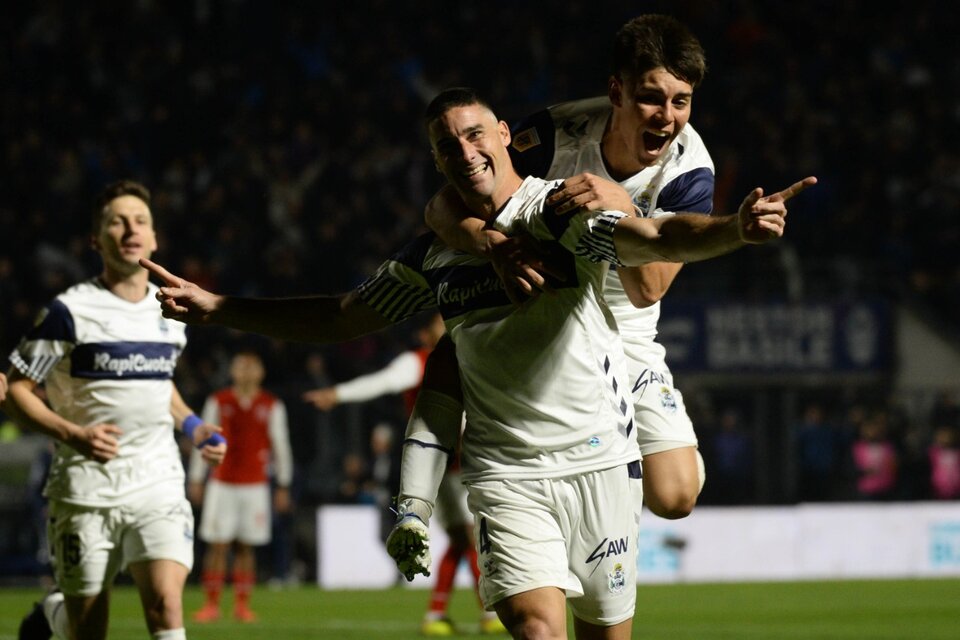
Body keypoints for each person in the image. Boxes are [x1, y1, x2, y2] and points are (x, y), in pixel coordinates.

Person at [141, 87, 813, 639]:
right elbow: (343, 317)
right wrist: (222, 306)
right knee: (535, 630)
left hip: (600, 462)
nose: (463, 152)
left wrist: (733, 229)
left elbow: (655, 235)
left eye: (473, 135)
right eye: (446, 145)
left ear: (502, 134)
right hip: (504, 473)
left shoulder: (560, 214)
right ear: (436, 161)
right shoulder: (434, 257)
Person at [425, 14, 715, 521]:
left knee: (675, 498)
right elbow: (442, 207)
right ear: (616, 92)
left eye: (681, 101)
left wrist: (621, 203)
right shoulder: (556, 134)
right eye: (651, 97)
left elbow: (649, 288)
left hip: (627, 334)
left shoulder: (689, 170)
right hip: (550, 323)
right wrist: (489, 242)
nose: (667, 117)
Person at [3, 180, 226, 640]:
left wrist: (193, 424)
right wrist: (73, 435)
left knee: (166, 605)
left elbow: (156, 383)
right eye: (117, 221)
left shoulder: (172, 307)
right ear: (96, 239)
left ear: (155, 238)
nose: (130, 229)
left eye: (140, 220)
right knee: (87, 629)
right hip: (86, 487)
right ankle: (53, 613)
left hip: (156, 479)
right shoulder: (70, 312)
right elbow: (18, 389)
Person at [304, 312, 504, 635]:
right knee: (471, 538)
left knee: (459, 540)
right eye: (440, 321)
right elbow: (381, 382)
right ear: (425, 334)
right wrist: (338, 394)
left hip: (461, 463)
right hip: (446, 466)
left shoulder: (471, 354)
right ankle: (487, 612)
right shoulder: (419, 361)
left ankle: (437, 614)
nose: (450, 323)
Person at [188, 348, 293, 623]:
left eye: (252, 366)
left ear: (261, 372)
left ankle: (242, 606)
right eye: (241, 366)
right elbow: (204, 440)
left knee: (247, 546)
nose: (246, 372)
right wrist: (196, 478)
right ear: (232, 371)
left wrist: (283, 484)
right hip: (222, 483)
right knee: (218, 545)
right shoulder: (219, 400)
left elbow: (281, 446)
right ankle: (211, 605)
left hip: (255, 484)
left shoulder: (272, 404)